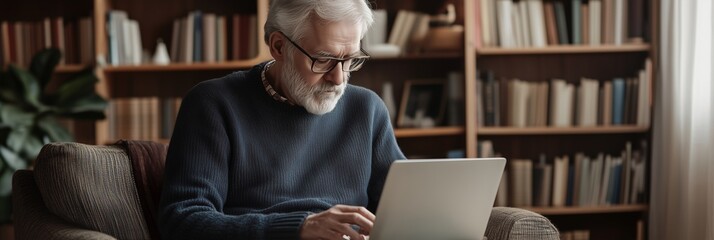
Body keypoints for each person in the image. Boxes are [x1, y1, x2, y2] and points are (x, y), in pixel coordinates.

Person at [157, 0, 405, 239]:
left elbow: (409, 208)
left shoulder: (367, 109)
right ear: (278, 47)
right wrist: (298, 227)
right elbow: (182, 221)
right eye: (323, 60)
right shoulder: (213, 104)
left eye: (350, 60)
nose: (338, 78)